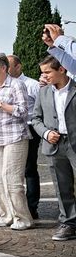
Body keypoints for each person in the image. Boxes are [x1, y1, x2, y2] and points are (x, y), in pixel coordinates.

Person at [0, 53, 33, 230]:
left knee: (12, 178)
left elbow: (23, 111)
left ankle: (23, 218)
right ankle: (6, 215)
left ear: (3, 68)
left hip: (15, 136)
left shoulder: (16, 84)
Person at [32, 56, 76, 241]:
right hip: (54, 145)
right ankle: (69, 223)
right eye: (42, 72)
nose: (44, 76)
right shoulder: (43, 92)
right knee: (62, 186)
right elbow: (35, 119)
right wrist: (46, 133)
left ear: (62, 69)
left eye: (48, 72)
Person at [7, 54, 41, 219]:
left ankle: (32, 206)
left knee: (29, 168)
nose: (5, 69)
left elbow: (40, 107)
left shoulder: (32, 84)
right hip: (10, 129)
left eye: (9, 65)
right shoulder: (3, 86)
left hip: (29, 127)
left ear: (18, 67)